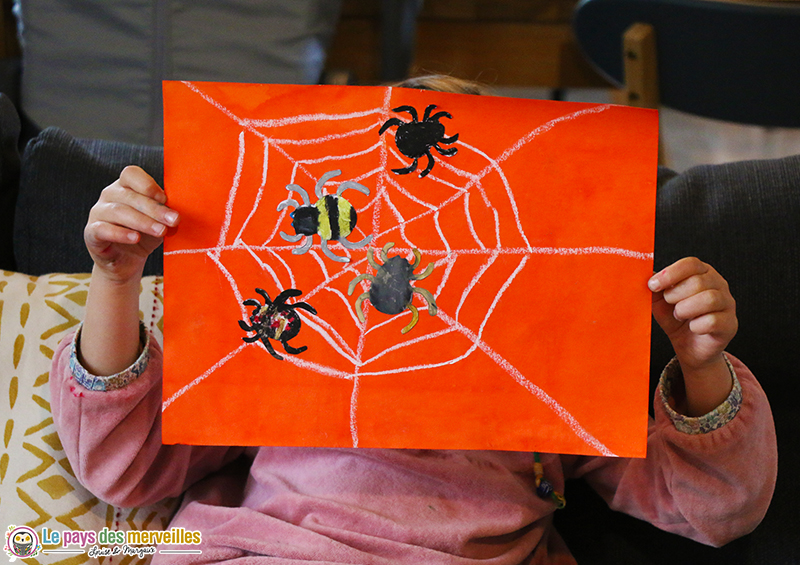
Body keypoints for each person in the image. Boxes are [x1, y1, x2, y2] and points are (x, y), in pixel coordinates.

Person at [50, 77, 777, 564]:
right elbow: (125, 467)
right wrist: (117, 278)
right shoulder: (283, 353)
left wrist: (700, 360)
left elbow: (717, 508)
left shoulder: (547, 380)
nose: (403, 251)